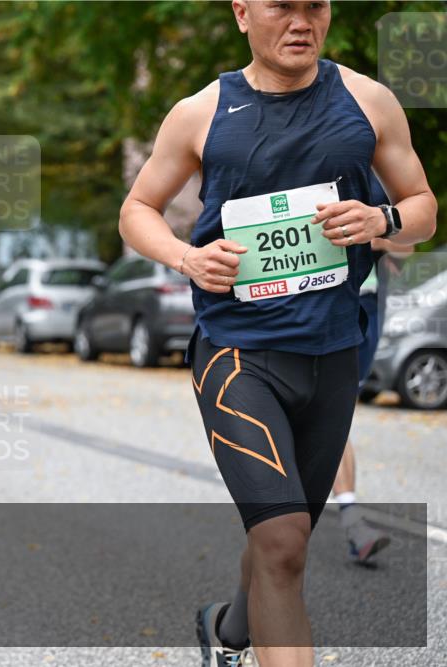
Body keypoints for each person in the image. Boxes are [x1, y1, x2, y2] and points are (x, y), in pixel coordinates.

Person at [118, 2, 437, 666]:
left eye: (314, 5)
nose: (301, 21)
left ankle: (227, 629)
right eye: (280, 7)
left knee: (277, 536)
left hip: (331, 353)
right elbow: (137, 210)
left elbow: (423, 208)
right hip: (237, 355)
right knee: (287, 540)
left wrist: (381, 219)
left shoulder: (368, 101)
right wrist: (185, 257)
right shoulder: (200, 112)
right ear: (242, 14)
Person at [332, 175, 413, 564]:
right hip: (304, 311)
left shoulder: (375, 174)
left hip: (361, 310)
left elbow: (408, 245)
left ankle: (351, 522)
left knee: (336, 415)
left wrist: (375, 232)